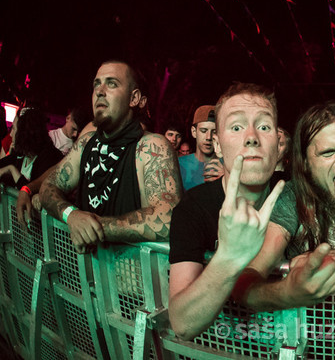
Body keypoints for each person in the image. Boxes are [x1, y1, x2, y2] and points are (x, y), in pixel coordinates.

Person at [231, 102, 335, 313]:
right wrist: (285, 293)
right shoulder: (292, 198)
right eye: (328, 152)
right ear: (305, 163)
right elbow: (246, 281)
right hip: (315, 337)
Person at [168, 83, 286, 340]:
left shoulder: (296, 194)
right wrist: (229, 257)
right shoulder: (192, 209)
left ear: (278, 144)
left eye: (264, 127)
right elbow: (182, 323)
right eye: (236, 127)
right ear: (219, 147)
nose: (252, 136)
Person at [39, 60, 182, 252]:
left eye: (112, 83)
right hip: (84, 278)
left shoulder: (151, 147)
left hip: (131, 278)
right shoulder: (85, 143)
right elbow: (49, 186)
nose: (100, 90)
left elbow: (168, 219)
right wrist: (71, 215)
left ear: (134, 98)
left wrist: (94, 227)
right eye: (96, 84)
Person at [0, 108, 63, 189]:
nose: (11, 134)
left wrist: (12, 170)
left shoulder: (48, 158)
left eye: (14, 129)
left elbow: (31, 193)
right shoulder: (22, 153)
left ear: (24, 135)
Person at [179, 105, 217, 191]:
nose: (208, 137)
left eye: (214, 132)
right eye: (203, 131)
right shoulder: (179, 164)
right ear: (194, 132)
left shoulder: (226, 166)